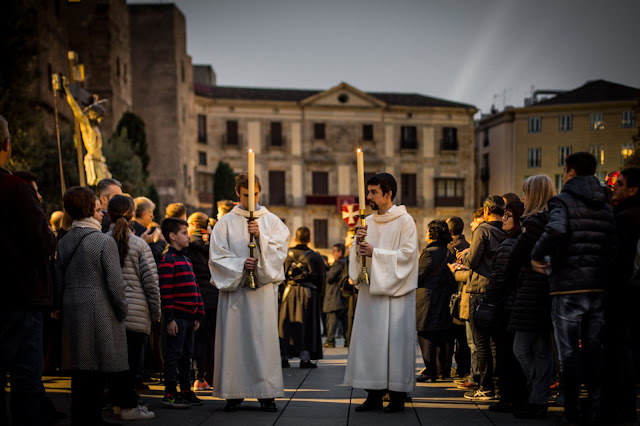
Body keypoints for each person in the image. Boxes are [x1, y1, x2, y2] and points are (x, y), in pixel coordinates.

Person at [531, 152, 616, 424]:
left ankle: (572, 410)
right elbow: (613, 244)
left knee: (568, 352)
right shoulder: (606, 204)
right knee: (594, 348)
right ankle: (595, 404)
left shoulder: (562, 201)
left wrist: (536, 255)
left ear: (570, 172)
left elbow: (555, 230)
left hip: (567, 287)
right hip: (598, 287)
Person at [209, 173, 290, 413]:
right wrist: (240, 265)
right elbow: (216, 257)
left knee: (262, 341)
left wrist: (261, 238)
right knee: (235, 341)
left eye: (255, 194)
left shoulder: (272, 221)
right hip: (237, 293)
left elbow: (280, 251)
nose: (251, 199)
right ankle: (234, 393)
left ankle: (266, 394)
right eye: (246, 195)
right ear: (237, 193)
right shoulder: (225, 222)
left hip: (261, 294)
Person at [0, 116, 58, 425]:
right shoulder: (15, 188)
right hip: (19, 296)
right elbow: (43, 241)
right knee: (25, 374)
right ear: (7, 145)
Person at [345, 172, 419, 414]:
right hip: (371, 295)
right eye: (368, 192)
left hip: (396, 296)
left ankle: (397, 396)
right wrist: (357, 246)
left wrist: (375, 252)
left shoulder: (405, 221)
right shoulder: (368, 221)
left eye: (373, 192)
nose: (368, 197)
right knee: (372, 345)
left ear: (388, 194)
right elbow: (358, 263)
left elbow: (407, 256)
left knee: (395, 345)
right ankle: (373, 394)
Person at [55, 186, 129, 425]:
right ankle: (94, 418)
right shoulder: (102, 241)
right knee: (96, 369)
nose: (102, 215)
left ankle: (80, 417)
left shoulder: (64, 241)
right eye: (98, 210)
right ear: (88, 210)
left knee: (79, 371)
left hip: (71, 308)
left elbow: (58, 278)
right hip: (98, 309)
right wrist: (122, 310)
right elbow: (116, 283)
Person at [106, 195, 160, 420]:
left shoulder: (101, 241)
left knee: (115, 364)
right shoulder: (139, 244)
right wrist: (156, 312)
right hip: (137, 312)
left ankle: (119, 404)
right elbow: (151, 281)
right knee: (131, 365)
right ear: (131, 216)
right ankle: (128, 407)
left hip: (110, 312)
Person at [509, 175, 556, 419]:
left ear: (535, 195)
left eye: (526, 193)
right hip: (544, 292)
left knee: (522, 349)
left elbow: (515, 257)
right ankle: (539, 399)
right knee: (541, 349)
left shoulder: (534, 223)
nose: (523, 198)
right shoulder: (551, 221)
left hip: (532, 293)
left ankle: (538, 393)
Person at [480, 201, 529, 414]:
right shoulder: (521, 241)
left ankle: (508, 398)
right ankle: (517, 397)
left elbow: (498, 278)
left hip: (506, 306)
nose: (503, 220)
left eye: (508, 216)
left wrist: (488, 300)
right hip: (517, 305)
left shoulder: (509, 244)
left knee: (506, 355)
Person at [457, 196, 506, 400]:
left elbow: (473, 260)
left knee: (481, 342)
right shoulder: (505, 231)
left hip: (479, 290)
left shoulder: (482, 230)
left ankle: (485, 387)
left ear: (486, 211)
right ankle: (497, 384)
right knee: (496, 342)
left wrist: (463, 256)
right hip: (498, 289)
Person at [601, 167, 640, 422]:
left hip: (623, 297)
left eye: (621, 183)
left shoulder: (625, 218)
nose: (615, 186)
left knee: (619, 353)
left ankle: (619, 410)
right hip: (628, 296)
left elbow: (616, 262)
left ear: (633, 190)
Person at [158, 217, 204, 409]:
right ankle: (170, 393)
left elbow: (195, 287)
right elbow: (166, 292)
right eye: (184, 233)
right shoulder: (168, 260)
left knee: (187, 356)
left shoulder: (185, 258)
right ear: (172, 236)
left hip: (190, 317)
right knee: (174, 356)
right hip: (177, 318)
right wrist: (170, 319)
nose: (188, 237)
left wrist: (199, 312)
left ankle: (186, 390)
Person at [416, 220, 456, 383]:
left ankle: (430, 370)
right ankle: (442, 370)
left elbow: (417, 276)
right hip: (443, 296)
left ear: (432, 233)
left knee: (426, 334)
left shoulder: (429, 253)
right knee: (441, 334)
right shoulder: (447, 252)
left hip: (427, 298)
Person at [279, 227, 325, 368]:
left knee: (285, 325)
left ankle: (284, 358)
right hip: (308, 295)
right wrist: (320, 296)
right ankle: (305, 359)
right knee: (307, 326)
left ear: (295, 238)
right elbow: (321, 279)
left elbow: (280, 276)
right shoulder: (315, 256)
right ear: (309, 239)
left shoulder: (286, 254)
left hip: (289, 293)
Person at [187, 212, 217, 391]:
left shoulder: (188, 245)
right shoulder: (215, 244)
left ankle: (198, 378)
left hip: (196, 297)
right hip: (215, 296)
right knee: (213, 339)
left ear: (192, 225)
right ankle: (213, 376)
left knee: (198, 339)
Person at [445, 216, 471, 382]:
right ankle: (463, 368)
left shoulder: (451, 248)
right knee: (464, 338)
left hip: (457, 296)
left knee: (457, 337)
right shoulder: (467, 244)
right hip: (463, 296)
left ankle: (461, 369)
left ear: (450, 231)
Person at [322, 243, 349, 348]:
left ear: (340, 252)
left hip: (334, 295)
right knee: (344, 320)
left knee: (332, 319)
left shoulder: (338, 264)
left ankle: (330, 341)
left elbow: (329, 277)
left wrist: (325, 268)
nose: (333, 253)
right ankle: (348, 340)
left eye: (334, 251)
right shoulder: (345, 262)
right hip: (342, 295)